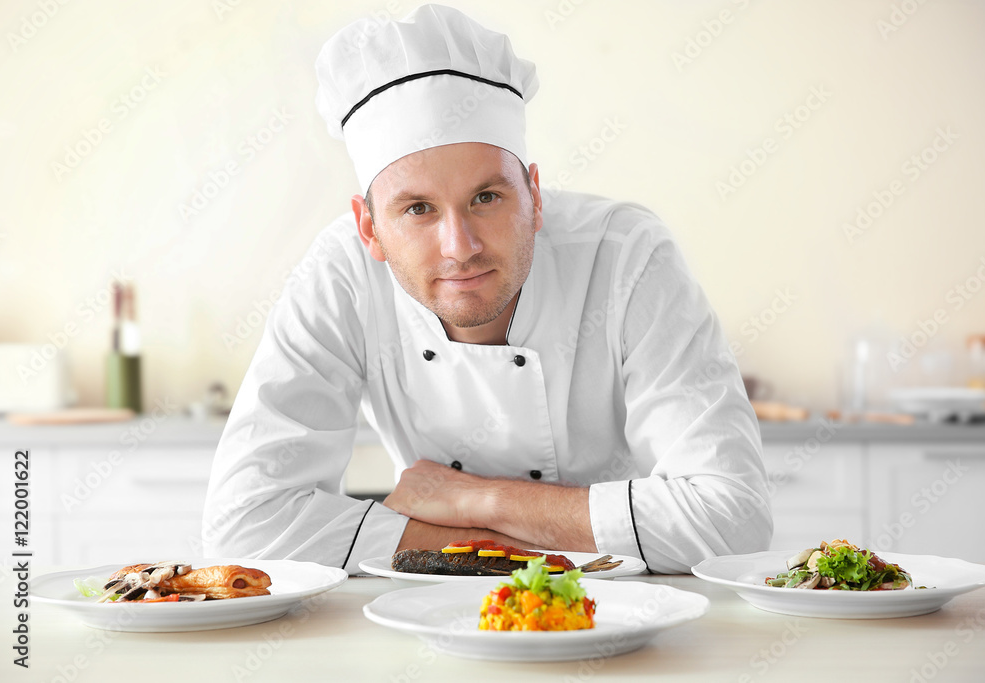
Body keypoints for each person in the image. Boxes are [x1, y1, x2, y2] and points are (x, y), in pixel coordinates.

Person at [202, 4, 772, 574]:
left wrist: (476, 498)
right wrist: (518, 547)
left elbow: (734, 520)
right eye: (418, 209)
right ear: (370, 228)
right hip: (424, 607)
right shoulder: (341, 276)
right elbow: (241, 526)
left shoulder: (626, 256)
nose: (460, 246)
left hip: (620, 608)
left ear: (535, 196)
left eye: (486, 198)